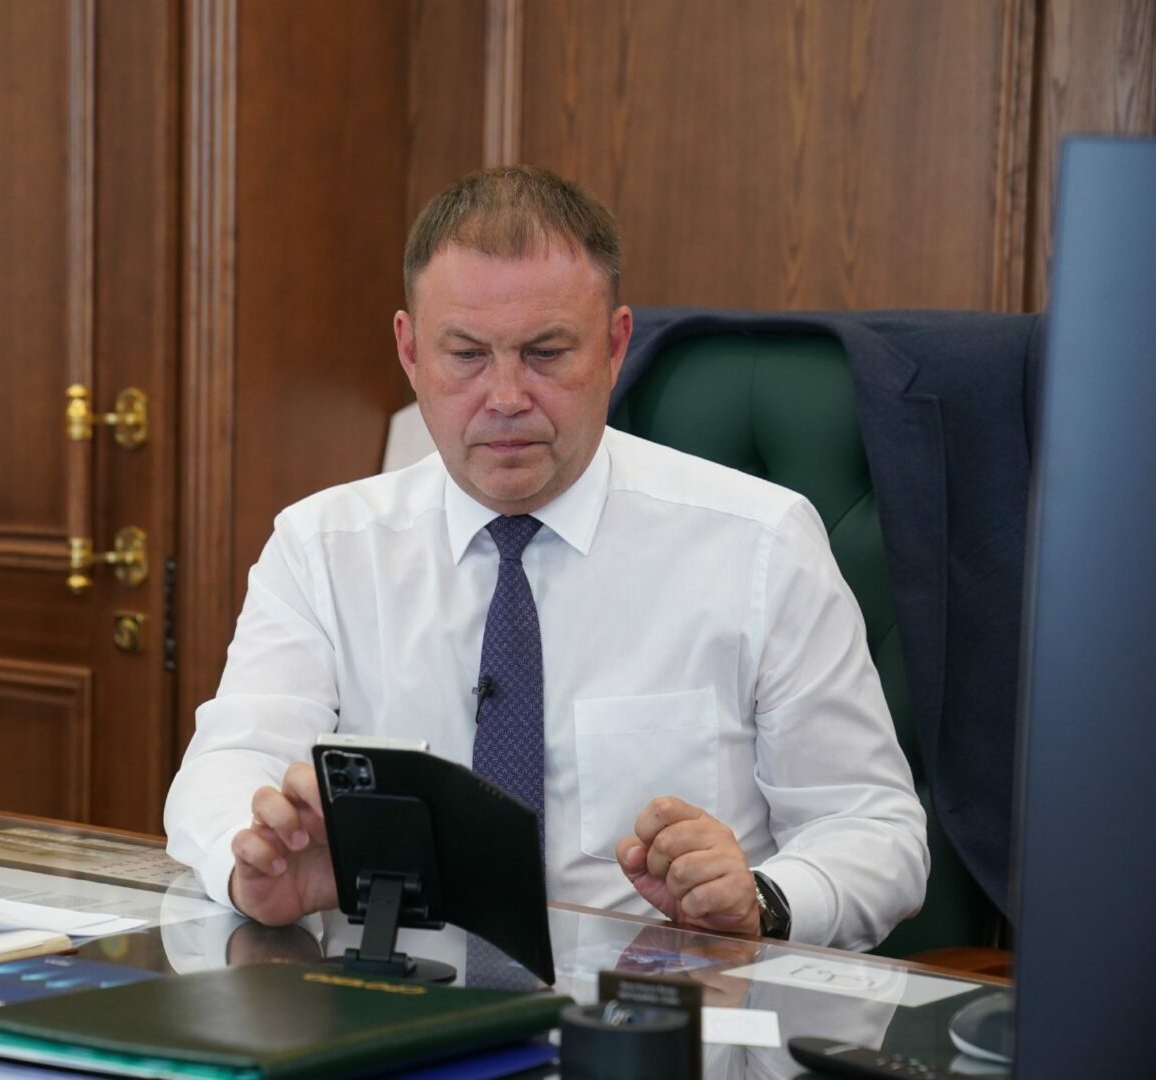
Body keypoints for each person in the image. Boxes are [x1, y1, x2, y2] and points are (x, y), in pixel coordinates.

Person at [164, 166, 927, 953]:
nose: (505, 397)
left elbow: (872, 830)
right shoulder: (321, 547)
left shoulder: (759, 544)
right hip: (394, 1006)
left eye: (545, 353)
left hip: (652, 1008)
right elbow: (229, 765)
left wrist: (760, 900)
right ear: (409, 351)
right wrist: (250, 862)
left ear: (614, 346)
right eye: (466, 354)